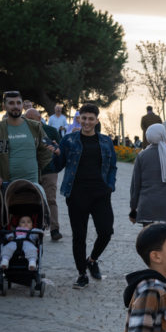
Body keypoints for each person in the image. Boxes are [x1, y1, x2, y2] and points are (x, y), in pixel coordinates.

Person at [52, 103, 117, 289]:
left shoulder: (105, 141)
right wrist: (56, 154)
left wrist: (110, 185)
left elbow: (112, 166)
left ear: (97, 120)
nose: (86, 122)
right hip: (76, 194)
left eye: (90, 118)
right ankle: (82, 274)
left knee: (106, 231)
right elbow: (57, 166)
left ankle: (92, 259)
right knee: (79, 236)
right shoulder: (69, 140)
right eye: (83, 118)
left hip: (100, 194)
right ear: (78, 119)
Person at [0, 91, 52, 187]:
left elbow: (46, 149)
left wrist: (39, 166)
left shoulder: (35, 127)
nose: (16, 106)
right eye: (11, 103)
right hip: (6, 185)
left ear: (22, 105)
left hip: (33, 184)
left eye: (18, 103)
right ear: (4, 106)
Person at [129, 123, 166, 227]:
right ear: (163, 135)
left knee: (151, 240)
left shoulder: (142, 156)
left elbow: (135, 185)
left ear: (148, 137)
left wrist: (133, 207)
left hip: (148, 207)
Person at [26, 108, 63, 241]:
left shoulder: (51, 131)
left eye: (32, 118)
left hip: (49, 170)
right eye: (27, 118)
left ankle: (54, 229)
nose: (29, 121)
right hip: (30, 171)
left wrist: (56, 165)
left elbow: (60, 149)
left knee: (51, 199)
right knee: (32, 200)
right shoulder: (23, 131)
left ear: (39, 118)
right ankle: (32, 228)